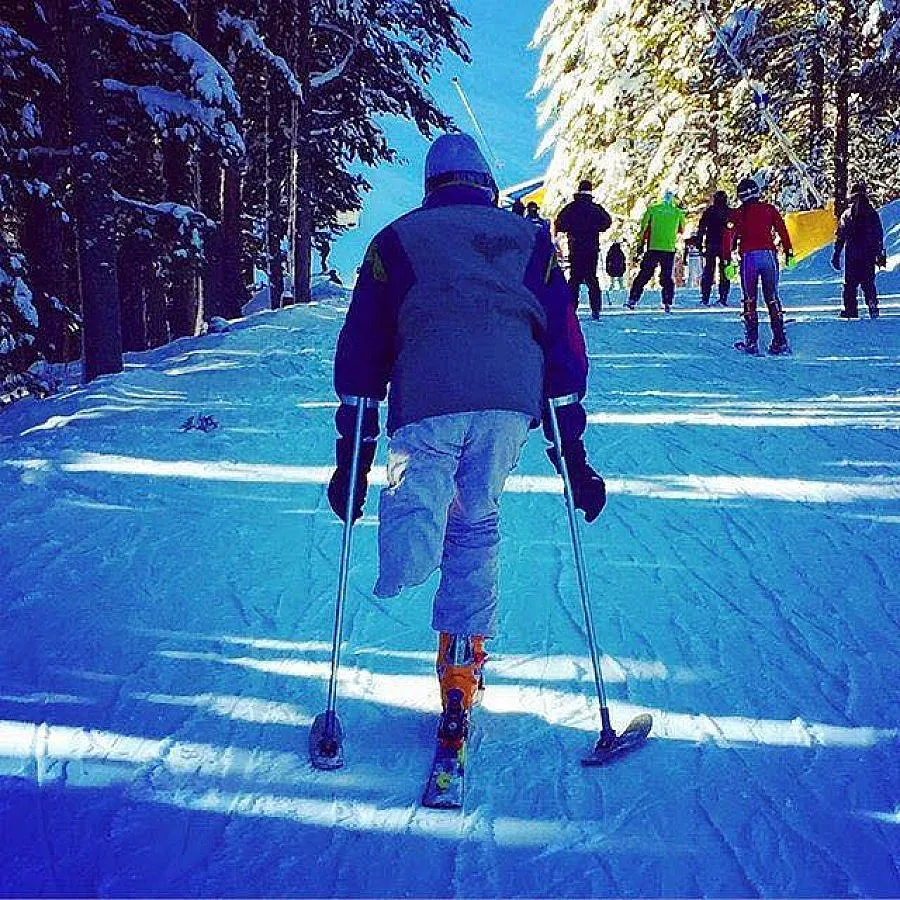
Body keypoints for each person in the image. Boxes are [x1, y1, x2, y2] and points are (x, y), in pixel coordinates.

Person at [329, 132, 605, 743]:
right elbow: (561, 346)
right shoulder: (532, 242)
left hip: (426, 398)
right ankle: (460, 667)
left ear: (431, 187)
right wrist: (574, 458)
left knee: (422, 500)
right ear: (486, 184)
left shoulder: (395, 241)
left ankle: (408, 549)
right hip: (510, 404)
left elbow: (362, 352)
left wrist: (352, 455)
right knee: (475, 525)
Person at [724, 176, 793, 354]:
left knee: (749, 299)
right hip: (768, 255)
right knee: (772, 297)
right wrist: (789, 251)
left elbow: (729, 238)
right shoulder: (769, 209)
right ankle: (780, 341)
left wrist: (727, 260)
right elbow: (782, 229)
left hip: (749, 258)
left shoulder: (738, 213)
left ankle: (752, 342)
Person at [554, 179, 612, 320]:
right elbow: (607, 222)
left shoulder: (571, 208)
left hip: (575, 247)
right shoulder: (595, 208)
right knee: (592, 279)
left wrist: (570, 228)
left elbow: (560, 223)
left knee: (574, 279)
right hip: (592, 248)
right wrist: (596, 228)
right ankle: (596, 309)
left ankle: (571, 309)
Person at [831, 181, 886, 319]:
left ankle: (851, 310)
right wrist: (879, 253)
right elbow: (878, 235)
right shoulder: (872, 214)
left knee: (850, 285)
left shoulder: (847, 215)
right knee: (868, 283)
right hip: (868, 254)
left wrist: (836, 254)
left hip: (852, 255)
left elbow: (840, 236)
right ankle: (872, 304)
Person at [627, 191, 686, 312]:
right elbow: (682, 229)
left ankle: (633, 299)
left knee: (645, 274)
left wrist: (640, 243)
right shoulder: (678, 212)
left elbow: (644, 228)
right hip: (669, 248)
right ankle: (667, 301)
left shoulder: (652, 209)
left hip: (653, 247)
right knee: (666, 276)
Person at [696, 190, 732, 306]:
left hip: (711, 244)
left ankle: (705, 297)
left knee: (709, 271)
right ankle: (723, 298)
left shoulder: (710, 211)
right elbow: (734, 229)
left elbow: (701, 228)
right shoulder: (728, 212)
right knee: (724, 271)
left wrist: (699, 242)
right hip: (724, 245)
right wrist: (734, 243)